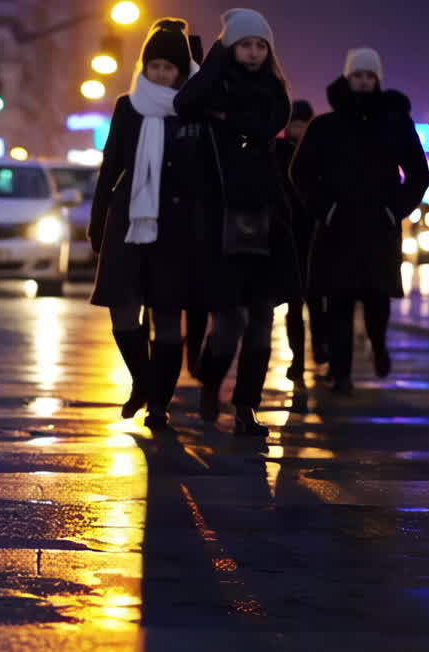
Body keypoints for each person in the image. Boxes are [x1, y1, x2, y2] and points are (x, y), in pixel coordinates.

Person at [172, 8, 300, 436]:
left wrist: (227, 119)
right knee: (229, 322)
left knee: (262, 321)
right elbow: (185, 103)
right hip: (220, 214)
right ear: (231, 46)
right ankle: (211, 383)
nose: (254, 52)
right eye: (245, 44)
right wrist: (215, 64)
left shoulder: (272, 89)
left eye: (261, 45)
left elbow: (271, 122)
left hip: (264, 216)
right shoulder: (215, 82)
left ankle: (246, 405)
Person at [290, 48, 429, 396]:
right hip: (338, 228)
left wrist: (393, 209)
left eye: (369, 76)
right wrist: (327, 209)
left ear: (378, 80)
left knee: (377, 298)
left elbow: (417, 173)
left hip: (378, 227)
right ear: (347, 78)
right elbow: (301, 172)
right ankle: (341, 373)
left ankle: (378, 345)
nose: (364, 82)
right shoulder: (327, 125)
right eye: (358, 76)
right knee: (339, 301)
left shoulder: (395, 123)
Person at [89, 19, 203, 431]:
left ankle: (159, 404)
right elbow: (111, 165)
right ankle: (144, 382)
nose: (160, 73)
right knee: (122, 311)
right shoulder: (128, 105)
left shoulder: (194, 110)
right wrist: (98, 219)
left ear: (180, 70)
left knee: (169, 315)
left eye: (169, 67)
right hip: (128, 222)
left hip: (175, 227)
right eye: (153, 65)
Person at [276, 99, 327, 382]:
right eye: (295, 124)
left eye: (303, 125)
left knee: (317, 301)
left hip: (314, 233)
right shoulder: (279, 153)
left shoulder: (318, 153)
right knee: (295, 305)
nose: (299, 129)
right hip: (290, 235)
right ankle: (298, 357)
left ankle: (319, 347)